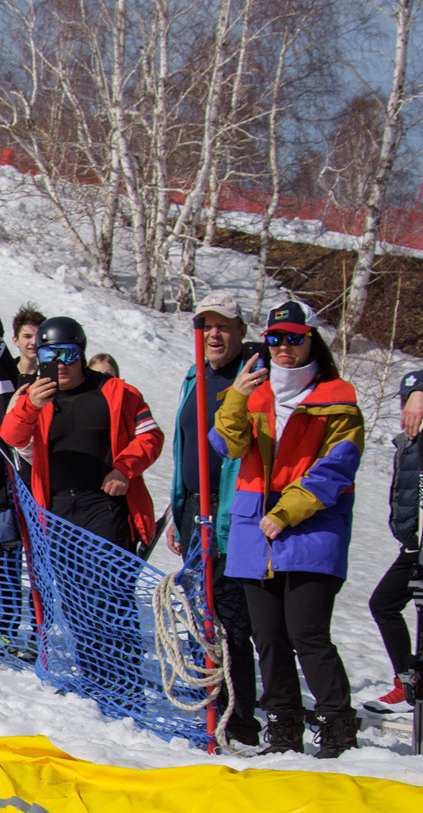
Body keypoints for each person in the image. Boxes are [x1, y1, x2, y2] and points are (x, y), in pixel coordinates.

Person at [213, 300, 365, 757]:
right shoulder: (252, 393)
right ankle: (283, 728)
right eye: (275, 338)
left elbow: (337, 469)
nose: (283, 347)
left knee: (308, 633)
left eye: (294, 338)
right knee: (269, 638)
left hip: (312, 524)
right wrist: (237, 394)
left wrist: (286, 513)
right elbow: (227, 444)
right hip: (254, 524)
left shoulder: (339, 397)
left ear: (312, 341)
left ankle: (338, 727)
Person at [3, 315, 165, 710]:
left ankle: (125, 685)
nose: (60, 363)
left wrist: (123, 469)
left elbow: (150, 435)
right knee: (75, 597)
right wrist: (32, 404)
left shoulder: (116, 391)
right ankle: (95, 679)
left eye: (68, 354)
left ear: (82, 353)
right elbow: (10, 436)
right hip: (56, 508)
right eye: (50, 355)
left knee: (109, 593)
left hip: (102, 502)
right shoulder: (33, 395)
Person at [166, 293, 262, 747]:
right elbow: (185, 447)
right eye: (207, 326)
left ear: (242, 330)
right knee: (197, 608)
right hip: (192, 511)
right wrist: (177, 507)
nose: (216, 334)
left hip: (230, 512)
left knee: (229, 615)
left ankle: (239, 718)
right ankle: (203, 697)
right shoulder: (194, 376)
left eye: (225, 325)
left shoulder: (256, 377)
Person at [364, 371, 423, 717]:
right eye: (404, 400)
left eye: (415, 399)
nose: (409, 407)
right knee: (384, 604)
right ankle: (408, 678)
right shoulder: (404, 443)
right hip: (412, 544)